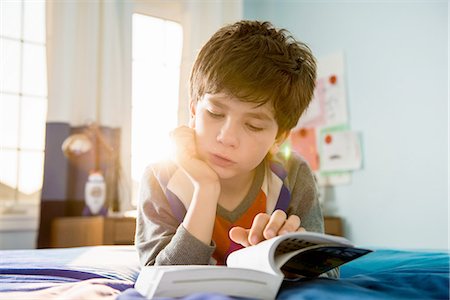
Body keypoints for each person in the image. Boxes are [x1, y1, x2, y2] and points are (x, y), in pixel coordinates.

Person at [135, 20, 337, 277]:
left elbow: (327, 273)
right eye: (215, 113)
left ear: (280, 137)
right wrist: (205, 190)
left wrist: (285, 259)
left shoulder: (293, 174)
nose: (226, 137)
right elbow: (159, 278)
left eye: (253, 125)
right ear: (194, 110)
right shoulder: (160, 178)